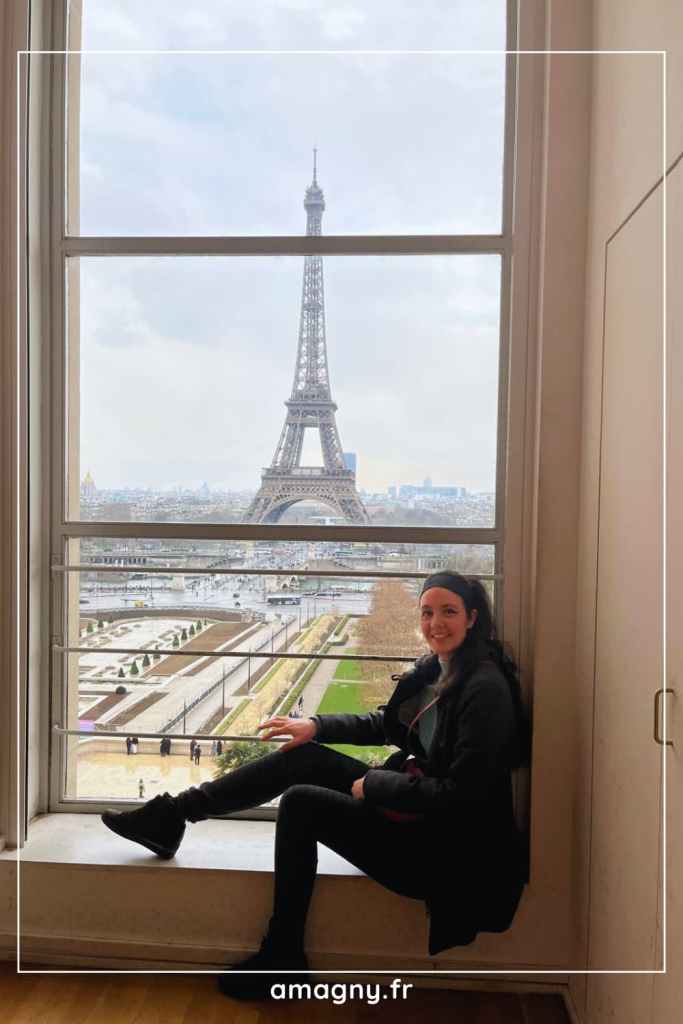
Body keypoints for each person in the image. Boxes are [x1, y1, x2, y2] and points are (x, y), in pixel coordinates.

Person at [101, 571, 529, 1001]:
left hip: (444, 854)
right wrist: (317, 725)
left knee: (300, 804)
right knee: (302, 755)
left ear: (473, 618)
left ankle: (283, 954)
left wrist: (375, 785)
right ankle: (173, 814)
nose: (435, 623)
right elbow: (387, 725)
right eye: (427, 612)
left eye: (448, 612)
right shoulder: (445, 668)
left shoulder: (484, 690)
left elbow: (461, 797)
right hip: (419, 814)